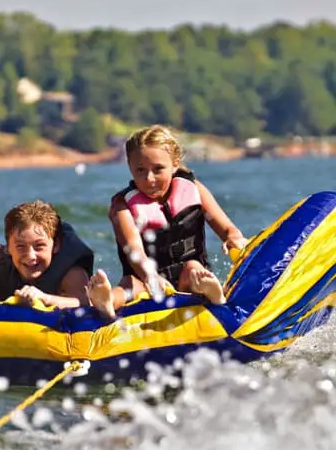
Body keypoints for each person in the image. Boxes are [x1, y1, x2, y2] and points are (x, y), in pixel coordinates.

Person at [86, 125, 247, 319]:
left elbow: (226, 228)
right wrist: (150, 276)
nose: (149, 179)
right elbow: (133, 248)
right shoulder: (122, 206)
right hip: (145, 279)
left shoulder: (192, 188)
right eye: (140, 170)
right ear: (129, 166)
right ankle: (107, 301)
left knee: (193, 269)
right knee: (130, 284)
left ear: (175, 163)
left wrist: (233, 238)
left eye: (158, 169)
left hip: (189, 277)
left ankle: (210, 291)